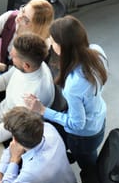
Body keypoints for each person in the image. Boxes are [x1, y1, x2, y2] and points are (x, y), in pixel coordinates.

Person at [24, 15, 108, 170]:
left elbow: (77, 124)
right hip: (99, 118)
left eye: (52, 40)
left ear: (62, 48)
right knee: (88, 155)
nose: (49, 42)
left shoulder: (74, 84)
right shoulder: (97, 51)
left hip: (83, 136)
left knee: (89, 168)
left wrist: (41, 110)